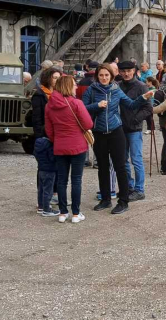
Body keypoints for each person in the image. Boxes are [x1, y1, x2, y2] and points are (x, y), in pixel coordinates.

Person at [83, 63, 152, 215]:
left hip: (116, 131)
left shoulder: (116, 90)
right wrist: (97, 105)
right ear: (97, 76)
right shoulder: (91, 90)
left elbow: (131, 104)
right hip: (98, 132)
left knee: (120, 166)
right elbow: (82, 108)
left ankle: (123, 201)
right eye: (101, 75)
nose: (104, 78)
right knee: (102, 167)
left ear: (112, 76)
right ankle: (106, 199)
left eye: (106, 75)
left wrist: (143, 98)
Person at [45, 75, 94, 224]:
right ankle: (76, 213)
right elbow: (88, 124)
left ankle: (62, 212)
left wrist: (57, 139)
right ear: (67, 86)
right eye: (74, 85)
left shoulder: (50, 105)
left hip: (60, 145)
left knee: (61, 180)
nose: (76, 87)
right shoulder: (76, 103)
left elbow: (49, 130)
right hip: (77, 145)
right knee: (76, 180)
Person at [117, 61, 152, 202]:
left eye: (129, 70)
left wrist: (135, 120)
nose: (126, 73)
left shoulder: (141, 86)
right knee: (123, 160)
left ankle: (139, 189)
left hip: (134, 129)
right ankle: (128, 187)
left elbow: (148, 108)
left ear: (134, 71)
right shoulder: (118, 86)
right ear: (119, 72)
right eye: (123, 71)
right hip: (120, 128)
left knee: (136, 159)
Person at [32, 67, 60, 211]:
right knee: (44, 169)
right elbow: (36, 119)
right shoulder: (39, 95)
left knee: (56, 167)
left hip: (57, 136)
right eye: (55, 77)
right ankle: (41, 200)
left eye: (58, 77)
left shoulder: (59, 94)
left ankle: (54, 194)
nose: (57, 80)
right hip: (44, 136)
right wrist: (41, 136)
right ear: (48, 78)